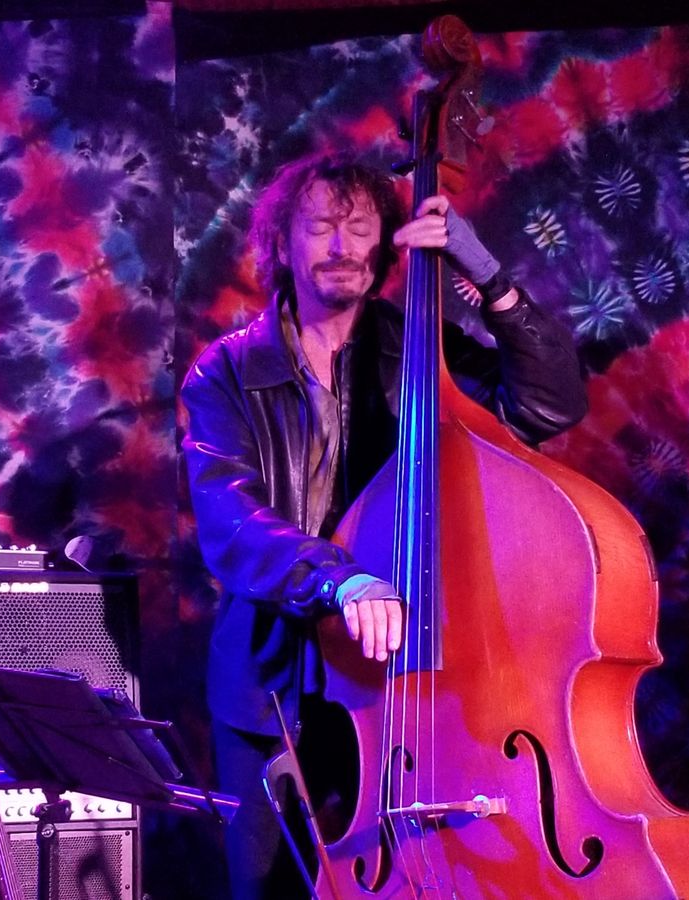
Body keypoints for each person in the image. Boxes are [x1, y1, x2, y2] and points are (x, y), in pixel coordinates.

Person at [181, 152, 587, 899]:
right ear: (281, 244)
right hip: (273, 686)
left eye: (361, 226)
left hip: (405, 680)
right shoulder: (225, 373)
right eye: (320, 227)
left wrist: (489, 278)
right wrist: (342, 579)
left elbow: (549, 406)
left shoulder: (424, 350)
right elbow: (230, 520)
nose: (342, 246)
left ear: (387, 242)